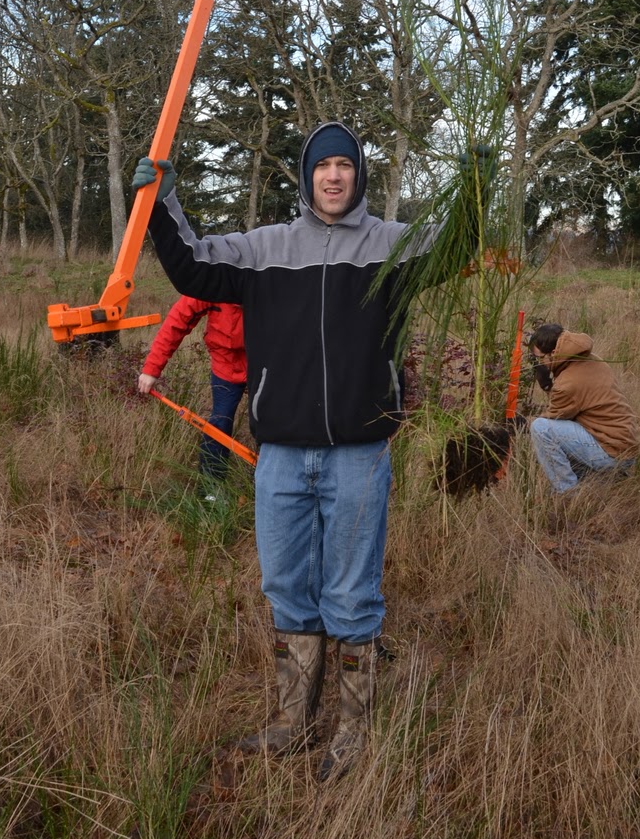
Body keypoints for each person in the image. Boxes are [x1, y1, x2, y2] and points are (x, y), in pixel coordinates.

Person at [131, 122, 489, 780]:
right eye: (321, 166)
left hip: (358, 454)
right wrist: (160, 203)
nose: (333, 176)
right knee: (286, 589)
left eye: (344, 166)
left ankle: (351, 731)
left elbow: (454, 249)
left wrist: (473, 189)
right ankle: (293, 722)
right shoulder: (264, 249)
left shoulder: (391, 245)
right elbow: (190, 264)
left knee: (351, 595)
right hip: (281, 459)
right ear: (306, 176)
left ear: (358, 175)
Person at [137, 296, 246, 484]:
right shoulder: (213, 281)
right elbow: (177, 321)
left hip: (266, 364)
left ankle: (268, 485)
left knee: (269, 425)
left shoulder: (268, 282)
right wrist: (151, 369)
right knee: (220, 422)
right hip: (225, 365)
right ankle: (211, 489)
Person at [528, 323, 639, 492]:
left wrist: (546, 386)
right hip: (625, 447)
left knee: (540, 428)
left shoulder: (568, 383)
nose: (540, 363)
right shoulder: (593, 359)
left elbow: (554, 417)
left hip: (612, 453)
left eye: (540, 358)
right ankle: (607, 479)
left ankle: (566, 492)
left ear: (553, 353)